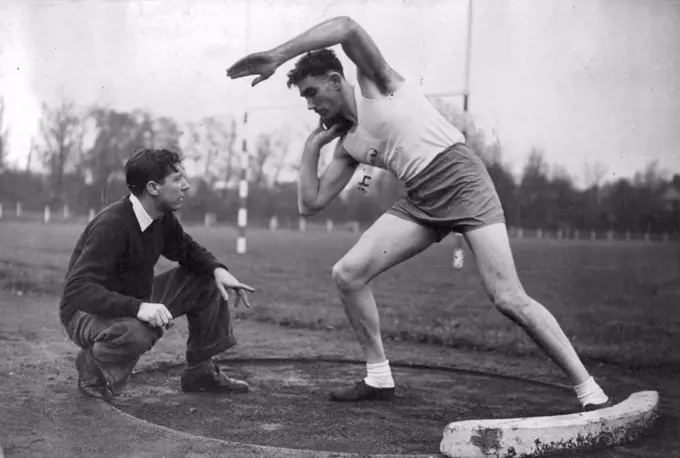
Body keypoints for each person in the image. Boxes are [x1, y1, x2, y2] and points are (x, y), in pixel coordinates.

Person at [227, 16, 610, 411]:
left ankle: (589, 389)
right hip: (422, 199)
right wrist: (312, 147)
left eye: (312, 92)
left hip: (462, 181)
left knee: (508, 298)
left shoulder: (378, 84)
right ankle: (378, 378)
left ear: (336, 81)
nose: (310, 104)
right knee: (348, 273)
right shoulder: (347, 142)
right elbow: (310, 203)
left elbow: (346, 27)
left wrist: (277, 55)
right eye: (304, 99)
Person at [59, 148, 254, 400]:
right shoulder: (112, 225)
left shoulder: (161, 218)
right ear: (153, 188)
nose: (186, 185)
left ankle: (200, 372)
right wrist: (138, 308)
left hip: (135, 300)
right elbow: (77, 289)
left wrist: (217, 269)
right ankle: (93, 370)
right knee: (138, 332)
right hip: (84, 312)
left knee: (205, 278)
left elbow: (187, 250)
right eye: (177, 179)